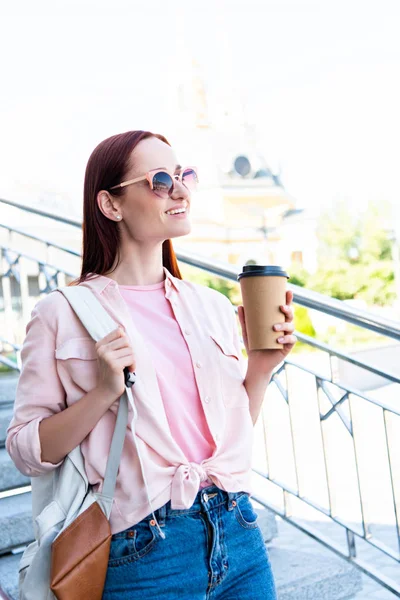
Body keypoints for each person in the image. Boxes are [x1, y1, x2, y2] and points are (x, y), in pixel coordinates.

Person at [6, 130, 297, 599]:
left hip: (238, 530)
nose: (180, 190)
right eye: (160, 179)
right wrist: (102, 392)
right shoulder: (62, 313)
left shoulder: (213, 307)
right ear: (111, 204)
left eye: (184, 176)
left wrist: (260, 367)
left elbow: (226, 436)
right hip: (144, 550)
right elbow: (25, 450)